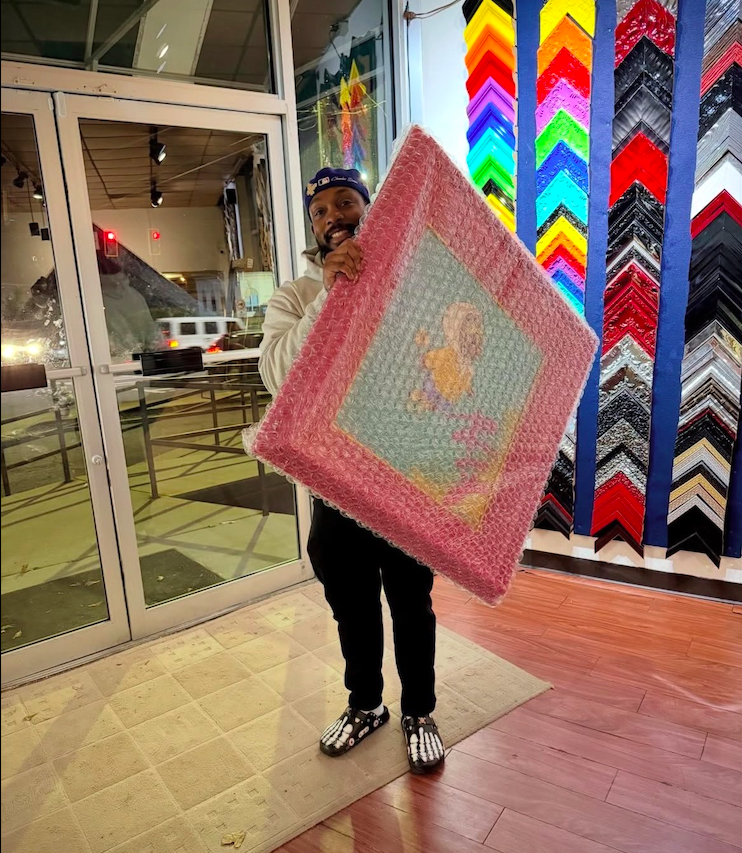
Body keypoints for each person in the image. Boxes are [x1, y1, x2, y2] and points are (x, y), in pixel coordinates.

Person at [258, 167, 445, 774]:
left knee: (411, 603)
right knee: (353, 607)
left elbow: (443, 370)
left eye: (346, 202)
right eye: (319, 211)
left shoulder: (413, 285)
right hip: (334, 486)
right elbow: (277, 375)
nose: (332, 216)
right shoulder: (295, 296)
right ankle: (366, 704)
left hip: (406, 477)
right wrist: (331, 296)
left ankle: (419, 711)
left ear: (370, 208)